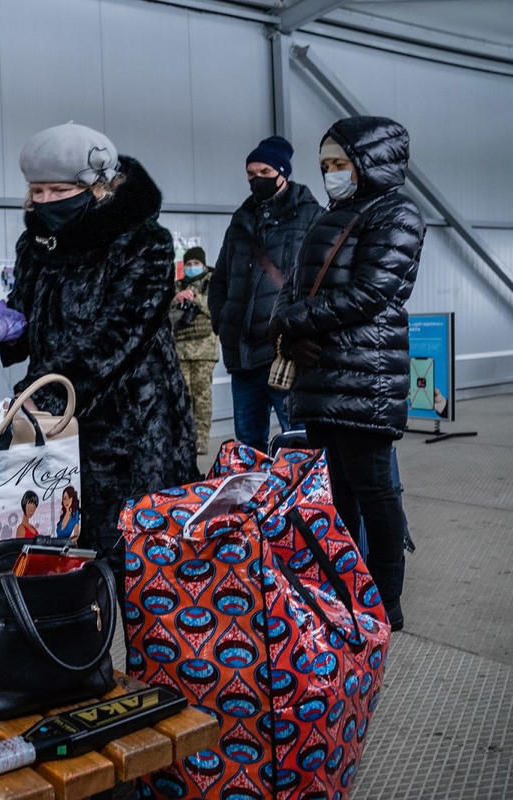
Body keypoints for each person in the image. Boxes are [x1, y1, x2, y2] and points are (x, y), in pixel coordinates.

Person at [0, 122, 197, 559]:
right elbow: (26, 323)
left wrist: (47, 395)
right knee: (63, 553)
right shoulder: (37, 244)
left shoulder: (144, 244)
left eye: (58, 190)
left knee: (132, 557)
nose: (46, 202)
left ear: (96, 188)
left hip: (133, 430)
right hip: (60, 429)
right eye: (37, 192)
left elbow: (119, 337)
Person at [269, 116, 425, 632]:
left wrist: (294, 320)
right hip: (321, 375)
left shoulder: (398, 213)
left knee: (375, 491)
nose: (332, 173)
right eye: (326, 165)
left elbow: (373, 292)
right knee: (334, 494)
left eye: (340, 163)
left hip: (367, 377)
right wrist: (288, 325)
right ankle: (346, 588)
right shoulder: (332, 215)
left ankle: (385, 602)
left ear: (369, 162)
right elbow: (297, 285)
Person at [209, 136, 321, 452]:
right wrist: (223, 321)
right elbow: (220, 279)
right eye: (250, 174)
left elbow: (321, 281)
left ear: (283, 173)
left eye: (264, 172)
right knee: (248, 448)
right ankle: (257, 501)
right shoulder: (241, 220)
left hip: (284, 354)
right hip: (242, 358)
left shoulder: (311, 217)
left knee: (299, 445)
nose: (256, 180)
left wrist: (302, 331)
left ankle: (300, 502)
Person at [171, 246, 218, 454]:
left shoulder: (212, 282)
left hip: (204, 351)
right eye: (188, 264)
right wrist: (177, 298)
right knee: (183, 397)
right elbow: (168, 314)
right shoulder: (177, 286)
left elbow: (214, 309)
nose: (192, 267)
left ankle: (201, 441)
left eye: (196, 263)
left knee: (202, 398)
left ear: (203, 264)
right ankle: (185, 438)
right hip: (181, 350)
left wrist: (194, 298)